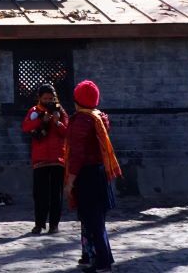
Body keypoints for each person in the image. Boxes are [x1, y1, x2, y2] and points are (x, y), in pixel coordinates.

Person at [65, 80, 121, 273]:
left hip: (86, 174)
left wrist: (70, 180)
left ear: (77, 100)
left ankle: (103, 261)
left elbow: (77, 154)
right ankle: (89, 256)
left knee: (93, 220)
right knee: (93, 219)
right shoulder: (100, 117)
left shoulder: (81, 121)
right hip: (99, 172)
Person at [22, 82, 69, 236]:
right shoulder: (34, 111)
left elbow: (67, 132)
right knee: (40, 193)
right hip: (40, 159)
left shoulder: (60, 111)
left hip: (57, 158)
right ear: (40, 98)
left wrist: (57, 121)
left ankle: (54, 224)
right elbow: (26, 127)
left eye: (51, 98)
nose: (48, 101)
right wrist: (43, 120)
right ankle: (39, 224)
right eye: (45, 98)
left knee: (56, 194)